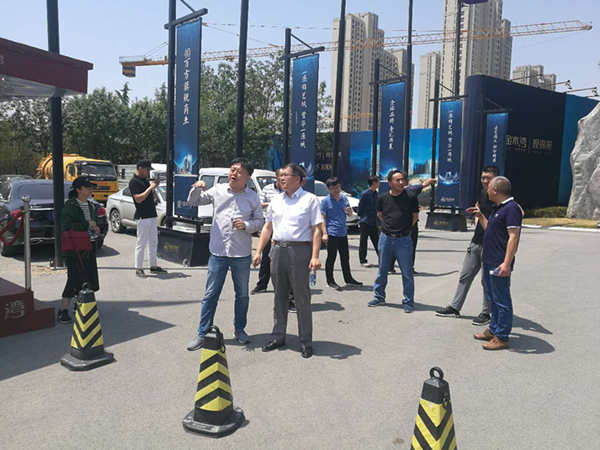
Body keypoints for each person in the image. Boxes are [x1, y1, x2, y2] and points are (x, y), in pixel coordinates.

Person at [186, 158, 264, 351]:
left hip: (241, 254)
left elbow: (260, 221)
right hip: (218, 252)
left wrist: (246, 225)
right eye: (232, 170)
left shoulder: (252, 197)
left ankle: (239, 330)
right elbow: (194, 201)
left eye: (239, 171)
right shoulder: (218, 190)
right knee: (210, 294)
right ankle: (202, 334)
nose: (233, 173)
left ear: (247, 176)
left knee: (242, 295)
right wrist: (197, 188)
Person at [252, 163, 323, 359]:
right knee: (279, 296)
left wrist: (315, 256)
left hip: (300, 250)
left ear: (298, 179)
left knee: (301, 297)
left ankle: (305, 341)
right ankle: (278, 336)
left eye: (285, 175)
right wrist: (258, 251)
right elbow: (268, 227)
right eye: (280, 175)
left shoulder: (310, 200)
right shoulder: (276, 200)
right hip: (277, 250)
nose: (281, 178)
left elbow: (316, 229)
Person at [435, 166, 499, 325]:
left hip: (490, 246)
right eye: (483, 177)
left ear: (497, 179)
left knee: (486, 281)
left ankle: (486, 313)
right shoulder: (483, 193)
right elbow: (480, 209)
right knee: (465, 275)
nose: (485, 180)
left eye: (489, 178)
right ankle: (454, 307)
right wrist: (477, 217)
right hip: (476, 242)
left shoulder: (500, 197)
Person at [472, 176, 522, 350]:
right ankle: (493, 329)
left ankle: (502, 336)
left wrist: (506, 263)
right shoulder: (498, 207)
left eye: (489, 187)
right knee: (492, 297)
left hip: (499, 263)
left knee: (501, 299)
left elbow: (514, 237)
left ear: (495, 190)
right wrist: (480, 216)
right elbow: (491, 229)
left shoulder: (512, 208)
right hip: (488, 260)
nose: (487, 190)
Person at [368, 170, 419, 312]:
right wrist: (388, 227)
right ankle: (379, 297)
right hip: (385, 239)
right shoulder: (383, 198)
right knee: (382, 270)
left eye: (402, 179)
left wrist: (405, 229)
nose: (401, 182)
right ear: (390, 183)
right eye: (397, 180)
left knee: (407, 273)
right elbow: (380, 214)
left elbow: (415, 216)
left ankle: (408, 301)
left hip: (404, 240)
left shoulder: (411, 197)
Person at [57, 177, 101, 324]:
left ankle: (80, 305)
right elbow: (67, 226)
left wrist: (95, 227)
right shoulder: (70, 206)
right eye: (87, 187)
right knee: (73, 278)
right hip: (75, 248)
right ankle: (63, 310)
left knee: (87, 278)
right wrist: (87, 224)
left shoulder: (91, 205)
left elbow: (92, 224)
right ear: (78, 190)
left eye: (91, 186)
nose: (90, 189)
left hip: (89, 245)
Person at [321, 177, 362, 290]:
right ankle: (330, 280)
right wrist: (324, 233)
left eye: (338, 187)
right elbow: (322, 218)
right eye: (333, 188)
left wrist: (349, 211)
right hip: (332, 232)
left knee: (345, 257)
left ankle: (348, 279)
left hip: (343, 232)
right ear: (328, 189)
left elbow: (349, 214)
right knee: (331, 257)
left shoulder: (344, 198)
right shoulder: (325, 201)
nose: (336, 189)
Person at [129, 160, 167, 278]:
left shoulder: (145, 181)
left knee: (153, 241)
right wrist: (150, 188)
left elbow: (151, 197)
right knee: (141, 243)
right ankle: (138, 268)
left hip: (151, 214)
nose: (148, 172)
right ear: (140, 168)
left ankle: (153, 265)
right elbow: (138, 199)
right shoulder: (134, 182)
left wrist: (154, 188)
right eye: (147, 169)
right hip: (142, 215)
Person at [251, 168, 283, 295]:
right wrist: (271, 204)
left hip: (282, 226)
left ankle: (284, 287)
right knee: (266, 257)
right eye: (281, 176)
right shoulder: (267, 189)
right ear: (276, 177)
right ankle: (262, 284)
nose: (283, 179)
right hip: (269, 225)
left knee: (282, 258)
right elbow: (259, 205)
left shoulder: (289, 190)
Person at [405, 178, 436, 274]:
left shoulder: (394, 192)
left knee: (396, 244)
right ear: (407, 180)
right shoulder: (412, 190)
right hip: (410, 223)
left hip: (399, 223)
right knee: (411, 245)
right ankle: (409, 267)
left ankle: (390, 267)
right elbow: (424, 184)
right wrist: (432, 180)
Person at [357, 176, 380, 268]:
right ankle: (363, 260)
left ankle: (383, 258)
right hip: (365, 220)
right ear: (374, 183)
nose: (379, 183)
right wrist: (360, 216)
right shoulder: (365, 194)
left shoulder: (376, 194)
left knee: (377, 240)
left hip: (373, 220)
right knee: (363, 241)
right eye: (378, 181)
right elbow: (360, 207)